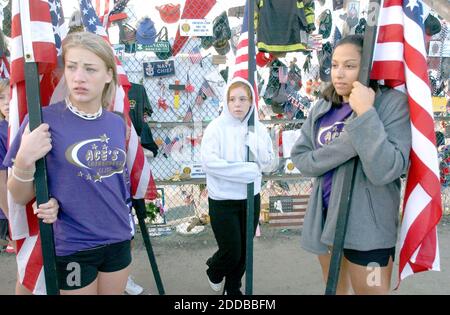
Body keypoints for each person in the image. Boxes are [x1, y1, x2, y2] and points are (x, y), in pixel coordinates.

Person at [5, 32, 133, 295]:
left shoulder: (116, 123)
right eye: (72, 67)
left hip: (118, 237)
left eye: (90, 69)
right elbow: (18, 196)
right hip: (74, 243)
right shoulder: (43, 120)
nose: (78, 77)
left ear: (109, 74)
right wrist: (24, 160)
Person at [290, 35, 412, 295]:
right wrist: (350, 144)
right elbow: (302, 159)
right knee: (336, 292)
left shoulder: (391, 105)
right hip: (326, 221)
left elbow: (385, 170)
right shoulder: (323, 106)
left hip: (368, 228)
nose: (339, 73)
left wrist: (367, 114)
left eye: (349, 65)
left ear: (367, 65)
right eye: (335, 65)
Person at [201, 77, 275, 295]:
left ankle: (233, 289)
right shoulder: (215, 128)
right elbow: (210, 163)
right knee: (231, 251)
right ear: (226, 101)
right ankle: (214, 269)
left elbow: (269, 163)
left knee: (245, 251)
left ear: (251, 101)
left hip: (250, 198)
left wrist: (256, 145)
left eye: (243, 99)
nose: (237, 104)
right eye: (232, 99)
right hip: (223, 199)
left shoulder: (258, 129)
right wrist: (246, 171)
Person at [0, 79, 59, 294]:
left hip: (47, 208)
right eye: (1, 98)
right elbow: (3, 181)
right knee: (27, 267)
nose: (7, 103)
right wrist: (11, 215)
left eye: (10, 97)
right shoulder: (5, 131)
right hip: (18, 210)